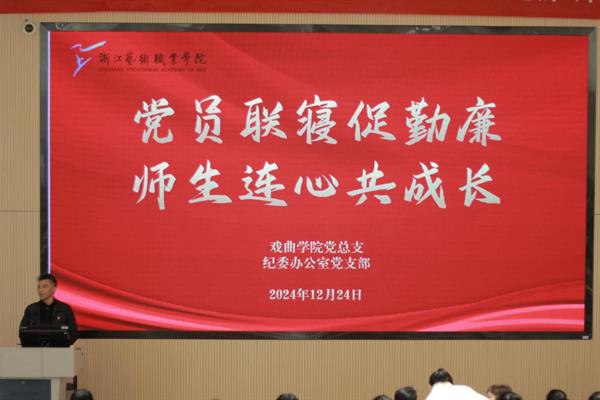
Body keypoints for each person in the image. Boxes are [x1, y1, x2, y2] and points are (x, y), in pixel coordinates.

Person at [19, 273, 78, 344]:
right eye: (39, 287)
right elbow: (22, 332)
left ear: (54, 289)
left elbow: (73, 334)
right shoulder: (31, 309)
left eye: (44, 286)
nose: (40, 290)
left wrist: (62, 344)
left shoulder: (65, 309)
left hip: (59, 349)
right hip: (35, 349)